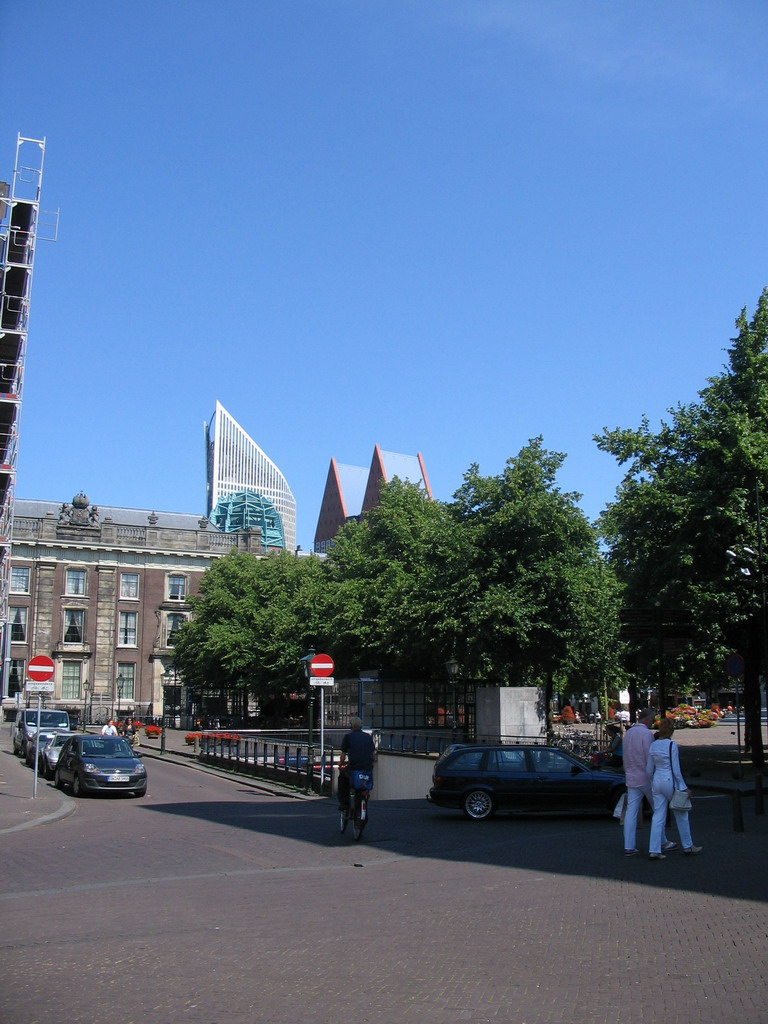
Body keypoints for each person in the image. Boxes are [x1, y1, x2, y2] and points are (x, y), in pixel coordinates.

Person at [647, 716, 702, 859]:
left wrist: (653, 780)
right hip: (669, 780)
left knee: (658, 816)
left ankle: (654, 849)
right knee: (681, 813)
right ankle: (688, 846)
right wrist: (683, 787)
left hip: (657, 780)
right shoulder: (671, 745)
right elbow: (676, 770)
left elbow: (648, 769)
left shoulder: (653, 745)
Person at [622, 708, 675, 858]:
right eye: (652, 719)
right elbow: (650, 757)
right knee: (658, 810)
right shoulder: (646, 735)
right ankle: (662, 841)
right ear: (647, 719)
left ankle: (629, 846)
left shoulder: (629, 733)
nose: (653, 722)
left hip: (631, 776)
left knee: (631, 812)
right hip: (646, 777)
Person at [338, 716, 375, 810]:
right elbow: (373, 754)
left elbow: (343, 755)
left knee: (342, 778)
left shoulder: (348, 737)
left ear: (351, 726)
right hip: (367, 767)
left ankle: (344, 803)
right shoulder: (368, 737)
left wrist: (340, 764)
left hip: (354, 767)